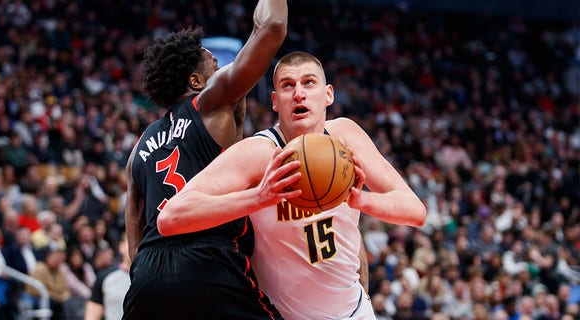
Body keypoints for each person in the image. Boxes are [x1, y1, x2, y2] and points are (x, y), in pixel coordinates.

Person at [158, 51, 427, 319]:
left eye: (309, 82)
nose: (299, 93)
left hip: (357, 312)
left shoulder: (346, 136)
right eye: (288, 85)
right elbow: (171, 217)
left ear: (328, 94)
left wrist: (360, 200)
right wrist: (259, 197)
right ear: (275, 101)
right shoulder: (260, 153)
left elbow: (415, 211)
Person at [121, 0, 288, 318]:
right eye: (215, 65)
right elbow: (272, 27)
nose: (224, 70)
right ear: (197, 83)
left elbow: (134, 245)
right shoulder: (210, 103)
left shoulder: (137, 149)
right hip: (208, 258)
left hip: (147, 276)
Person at [84, 234, 129, 320]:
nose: (136, 246)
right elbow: (91, 316)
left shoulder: (154, 277)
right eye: (130, 241)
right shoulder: (105, 277)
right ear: (122, 246)